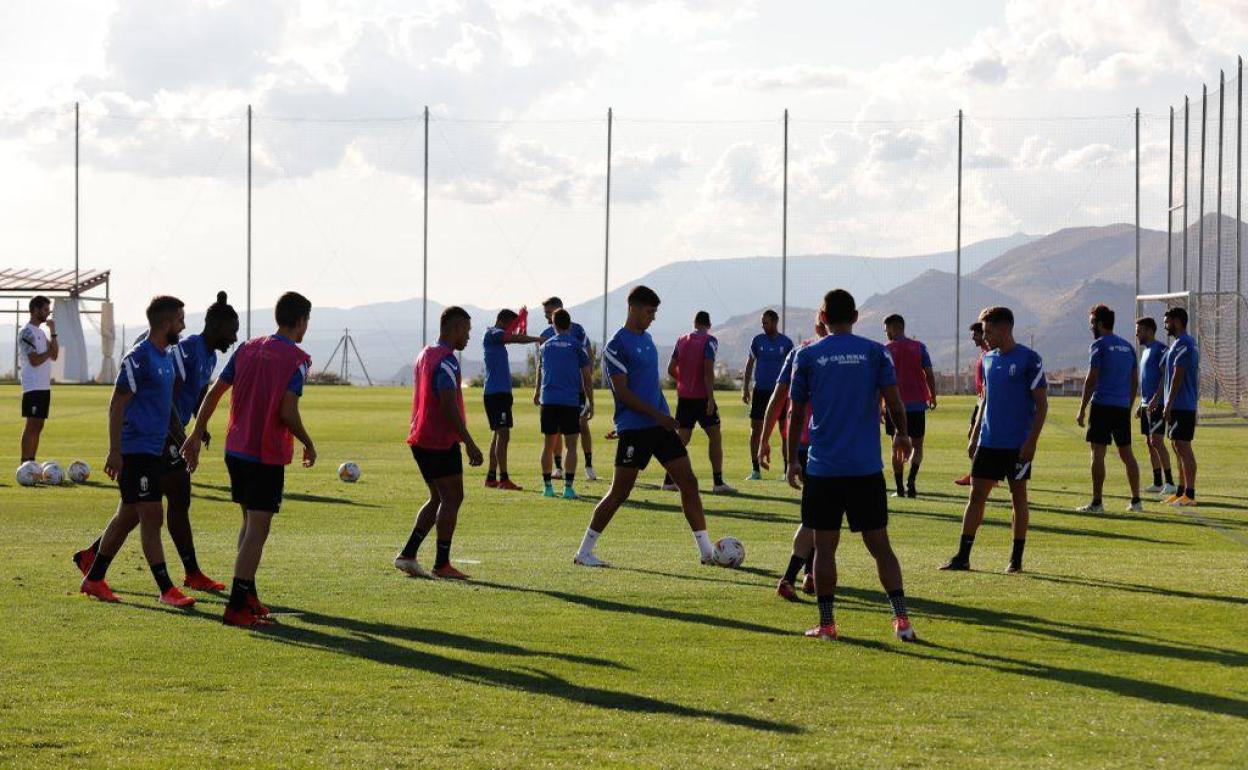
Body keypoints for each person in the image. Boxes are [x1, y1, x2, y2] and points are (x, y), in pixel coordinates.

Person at [74, 292, 240, 592]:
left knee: (139, 507)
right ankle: (186, 575)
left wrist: (200, 428)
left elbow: (197, 391)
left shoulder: (210, 356)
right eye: (232, 330)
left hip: (170, 434)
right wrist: (183, 437)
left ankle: (93, 558)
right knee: (171, 499)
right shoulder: (185, 350)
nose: (234, 337)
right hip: (159, 436)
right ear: (216, 327)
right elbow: (167, 398)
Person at [786, 289, 916, 642]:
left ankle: (828, 625)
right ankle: (902, 620)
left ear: (823, 318)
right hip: (865, 469)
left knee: (825, 548)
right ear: (856, 316)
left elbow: (795, 411)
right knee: (881, 547)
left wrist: (790, 460)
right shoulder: (875, 352)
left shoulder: (808, 354)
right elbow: (894, 400)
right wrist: (902, 434)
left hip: (824, 468)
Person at [182, 291, 316, 628]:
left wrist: (196, 433)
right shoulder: (297, 359)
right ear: (300, 321)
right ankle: (237, 606)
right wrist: (307, 442)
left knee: (248, 522)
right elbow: (287, 410)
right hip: (265, 452)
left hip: (236, 449)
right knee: (258, 529)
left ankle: (249, 594)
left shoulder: (247, 347)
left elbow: (214, 393)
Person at [573, 286, 716, 568]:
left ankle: (707, 551)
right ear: (634, 309)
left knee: (688, 482)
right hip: (637, 429)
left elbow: (650, 386)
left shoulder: (648, 340)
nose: (652, 318)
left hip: (659, 425)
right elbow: (623, 393)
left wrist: (662, 416)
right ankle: (583, 552)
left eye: (654, 313)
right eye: (649, 312)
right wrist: (640, 421)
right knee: (620, 492)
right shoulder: (616, 345)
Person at [79, 296, 196, 609]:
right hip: (136, 449)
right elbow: (117, 404)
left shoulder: (165, 357)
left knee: (128, 514)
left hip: (154, 450)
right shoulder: (139, 357)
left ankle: (93, 577)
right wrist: (115, 451)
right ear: (166, 323)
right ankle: (165, 587)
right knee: (151, 515)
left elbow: (164, 406)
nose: (183, 325)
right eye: (180, 320)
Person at [941, 306, 1047, 574]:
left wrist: (1031, 442)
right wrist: (975, 433)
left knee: (1018, 498)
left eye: (988, 331)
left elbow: (1042, 405)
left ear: (1004, 329)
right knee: (976, 495)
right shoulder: (988, 360)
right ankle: (962, 556)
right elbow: (985, 399)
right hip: (989, 442)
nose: (983, 337)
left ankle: (1016, 559)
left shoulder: (1029, 359)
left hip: (1017, 445)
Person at [394, 306, 484, 581]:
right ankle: (441, 563)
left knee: (438, 497)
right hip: (438, 439)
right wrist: (468, 441)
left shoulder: (425, 353)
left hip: (420, 436)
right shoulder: (446, 359)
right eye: (466, 331)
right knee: (453, 497)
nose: (468, 338)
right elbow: (447, 403)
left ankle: (408, 555)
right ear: (456, 328)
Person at [760, 318, 827, 601]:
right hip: (824, 445)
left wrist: (764, 439)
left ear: (818, 324)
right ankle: (799, 575)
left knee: (816, 513)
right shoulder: (850, 354)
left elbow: (778, 398)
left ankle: (808, 573)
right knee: (818, 516)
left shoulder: (799, 353)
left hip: (800, 442)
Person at [1075, 304, 1141, 513]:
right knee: (1127, 454)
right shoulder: (1128, 347)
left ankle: (1097, 502)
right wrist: (1128, 406)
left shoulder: (1099, 345)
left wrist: (1082, 408)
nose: (1090, 327)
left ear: (1101, 324)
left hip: (1102, 405)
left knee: (1097, 454)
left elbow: (1092, 378)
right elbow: (1134, 382)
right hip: (1121, 408)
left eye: (1092, 323)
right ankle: (1136, 501)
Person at [663, 311, 735, 494]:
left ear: (694, 323)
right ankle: (718, 482)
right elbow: (708, 370)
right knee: (715, 436)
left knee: (682, 439)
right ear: (708, 324)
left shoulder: (681, 340)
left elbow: (670, 369)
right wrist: (710, 397)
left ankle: (668, 481)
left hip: (684, 397)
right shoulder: (710, 341)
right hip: (702, 397)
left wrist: (684, 380)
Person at [536, 297, 597, 481]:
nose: (546, 316)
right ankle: (558, 468)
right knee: (557, 434)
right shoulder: (545, 335)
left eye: (548, 312)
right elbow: (541, 366)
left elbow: (589, 355)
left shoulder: (577, 330)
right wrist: (537, 389)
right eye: (545, 312)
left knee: (582, 426)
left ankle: (588, 465)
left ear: (557, 310)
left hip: (574, 391)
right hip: (559, 393)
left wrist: (586, 381)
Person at [482, 309, 541, 490]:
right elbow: (515, 338)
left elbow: (512, 337)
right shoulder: (493, 333)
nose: (512, 330)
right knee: (504, 435)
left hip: (499, 393)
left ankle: (491, 477)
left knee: (498, 435)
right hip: (497, 394)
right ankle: (504, 478)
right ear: (502, 321)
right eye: (511, 325)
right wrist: (538, 339)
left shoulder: (497, 338)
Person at [882, 314, 936, 498]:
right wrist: (933, 396)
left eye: (886, 330)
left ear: (891, 328)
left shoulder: (885, 349)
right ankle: (911, 481)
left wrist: (880, 405)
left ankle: (899, 488)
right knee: (917, 446)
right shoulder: (919, 347)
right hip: (917, 404)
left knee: (896, 446)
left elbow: (880, 380)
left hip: (894, 405)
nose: (886, 333)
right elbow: (929, 373)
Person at [1152, 307, 1199, 507]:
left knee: (1183, 446)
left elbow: (1178, 375)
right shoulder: (1181, 344)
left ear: (1178, 321)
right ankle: (1180, 491)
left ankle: (1190, 493)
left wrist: (1168, 403)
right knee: (1176, 446)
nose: (1165, 325)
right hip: (1180, 404)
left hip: (1183, 404)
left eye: (1167, 321)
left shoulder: (1184, 344)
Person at [741, 309, 794, 480]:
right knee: (755, 430)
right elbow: (750, 364)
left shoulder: (786, 343)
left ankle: (787, 470)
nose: (763, 325)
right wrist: (745, 387)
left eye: (766, 322)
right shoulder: (757, 341)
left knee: (784, 431)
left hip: (781, 393)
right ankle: (755, 470)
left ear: (775, 322)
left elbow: (794, 368)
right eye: (762, 322)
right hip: (760, 392)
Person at [1135, 317, 1176, 496]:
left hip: (1157, 404)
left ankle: (1170, 482)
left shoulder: (1161, 350)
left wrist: (1156, 398)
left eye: (1140, 331)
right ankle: (1158, 482)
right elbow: (1146, 381)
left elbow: (1164, 377)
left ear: (1150, 331)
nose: (1137, 334)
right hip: (1146, 404)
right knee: (1149, 443)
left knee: (1157, 441)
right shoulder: (1145, 352)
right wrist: (1141, 403)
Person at [19, 295, 58, 463]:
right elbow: (34, 360)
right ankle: (25, 463)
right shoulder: (26, 332)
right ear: (35, 310)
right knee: (32, 425)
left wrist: (54, 332)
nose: (47, 314)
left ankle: (32, 462)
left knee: (39, 425)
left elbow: (55, 355)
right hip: (32, 386)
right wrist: (49, 352)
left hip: (44, 386)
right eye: (45, 310)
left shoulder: (42, 332)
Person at [955, 322, 990, 486]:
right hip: (980, 399)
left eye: (975, 334)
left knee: (975, 437)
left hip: (986, 401)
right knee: (973, 436)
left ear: (982, 334)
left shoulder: (990, 353)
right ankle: (981, 473)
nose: (972, 338)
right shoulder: (983, 352)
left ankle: (979, 474)